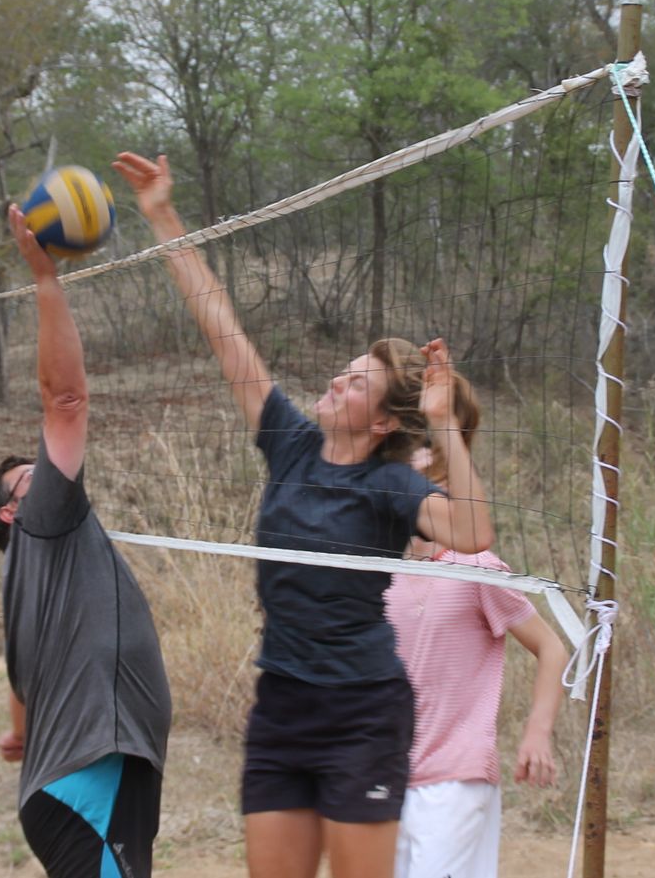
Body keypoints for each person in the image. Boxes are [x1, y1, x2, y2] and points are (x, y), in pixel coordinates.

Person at [113, 151, 495, 878]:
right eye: (343, 370)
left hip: (363, 711)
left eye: (356, 382)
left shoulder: (390, 486)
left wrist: (443, 422)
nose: (336, 379)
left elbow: (475, 534)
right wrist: (163, 215)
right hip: (282, 703)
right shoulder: (290, 442)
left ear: (383, 421)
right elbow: (222, 328)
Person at [0, 203, 172, 878]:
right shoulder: (43, 522)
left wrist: (21, 734)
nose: (54, 471)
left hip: (76, 784)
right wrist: (46, 280)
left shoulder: (31, 577)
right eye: (32, 473)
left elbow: (24, 681)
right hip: (88, 784)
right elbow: (65, 401)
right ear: (11, 512)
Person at [382, 373, 568, 878]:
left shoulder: (477, 566)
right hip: (387, 774)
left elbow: (553, 648)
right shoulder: (383, 573)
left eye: (416, 450)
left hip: (456, 776)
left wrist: (537, 733)